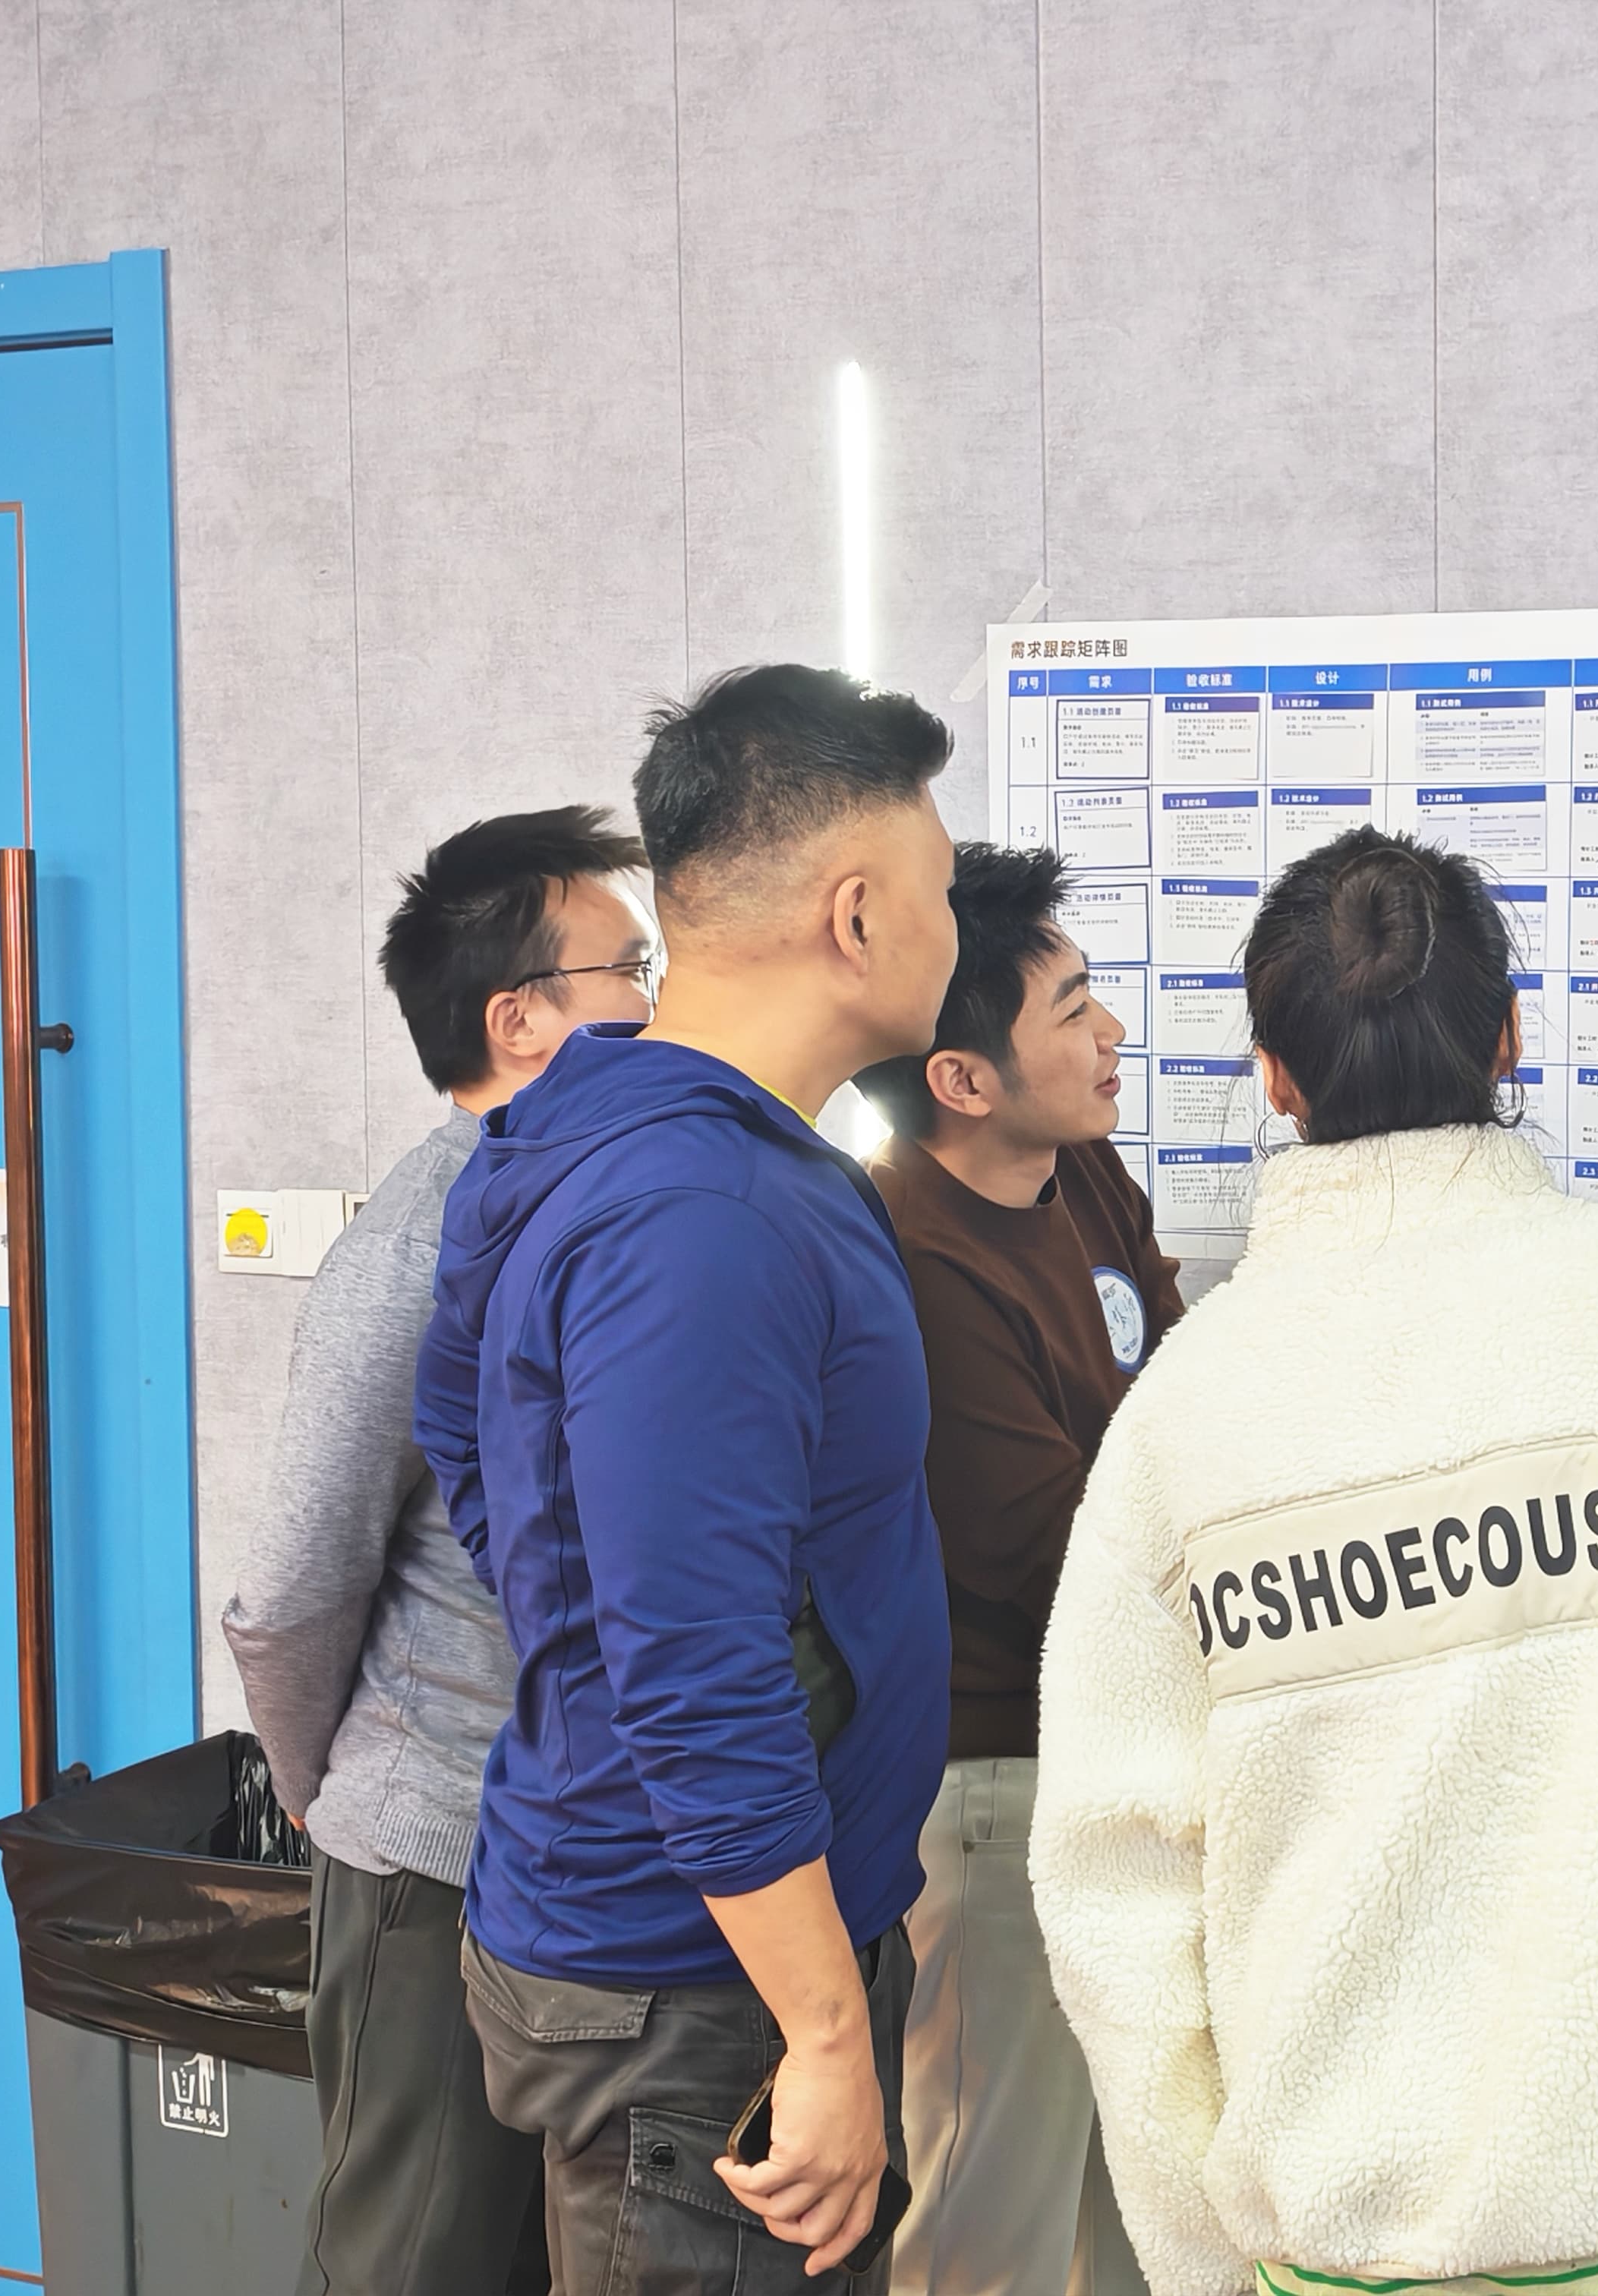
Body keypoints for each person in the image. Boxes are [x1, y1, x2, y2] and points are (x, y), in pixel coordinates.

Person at [1027, 827, 1598, 2296]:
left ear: (1274, 1079)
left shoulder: (1186, 1413)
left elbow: (1113, 1897)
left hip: (1324, 2255)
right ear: (1510, 1039)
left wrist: (1208, 2264)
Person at [414, 665, 961, 2291]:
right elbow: (694, 1660)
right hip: (706, 1994)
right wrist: (825, 2031)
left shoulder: (609, 1130)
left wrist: (586, 1618)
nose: (953, 930)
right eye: (939, 892)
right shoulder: (700, 1211)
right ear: (855, 914)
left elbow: (474, 1450)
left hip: (704, 1947)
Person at [222, 806, 651, 2296]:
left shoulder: (598, 1203)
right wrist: (335, 1793)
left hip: (567, 1858)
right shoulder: (415, 1245)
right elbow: (290, 1588)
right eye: (627, 972)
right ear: (518, 1019)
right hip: (430, 1866)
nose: (656, 1003)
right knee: (417, 2262)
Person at [850, 842, 1179, 2296]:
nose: (1113, 1033)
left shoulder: (1085, 1175)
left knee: (1134, 2209)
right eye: (1075, 1009)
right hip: (992, 1795)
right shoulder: (913, 1259)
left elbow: (1183, 1388)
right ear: (964, 1080)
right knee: (989, 2219)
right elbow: (1052, 1549)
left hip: (1117, 1750)